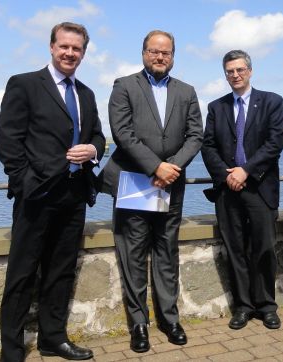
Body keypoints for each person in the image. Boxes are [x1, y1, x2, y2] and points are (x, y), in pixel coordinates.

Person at [0, 22, 105, 361]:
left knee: (60, 271)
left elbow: (99, 136)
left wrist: (93, 150)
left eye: (77, 49)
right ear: (52, 47)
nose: (70, 53)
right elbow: (8, 140)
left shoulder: (85, 93)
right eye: (64, 46)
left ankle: (52, 339)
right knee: (22, 275)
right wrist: (25, 182)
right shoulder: (25, 84)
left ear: (84, 53)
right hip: (37, 197)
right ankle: (11, 351)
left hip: (74, 196)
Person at [99, 30, 203, 352]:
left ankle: (170, 319)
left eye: (166, 53)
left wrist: (171, 167)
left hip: (172, 185)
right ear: (144, 53)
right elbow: (122, 133)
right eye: (154, 52)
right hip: (134, 183)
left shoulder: (187, 91)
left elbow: (196, 135)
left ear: (173, 56)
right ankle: (139, 324)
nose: (160, 57)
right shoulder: (124, 86)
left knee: (166, 253)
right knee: (132, 256)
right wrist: (154, 167)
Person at [201, 50, 283, 331]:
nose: (235, 75)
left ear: (250, 71)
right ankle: (244, 307)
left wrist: (245, 170)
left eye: (239, 70)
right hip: (228, 190)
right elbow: (208, 145)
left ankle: (266, 306)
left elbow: (274, 144)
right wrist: (227, 176)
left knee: (264, 249)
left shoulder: (272, 102)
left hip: (260, 188)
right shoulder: (216, 107)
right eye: (229, 71)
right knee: (235, 250)